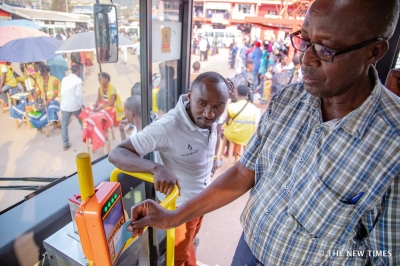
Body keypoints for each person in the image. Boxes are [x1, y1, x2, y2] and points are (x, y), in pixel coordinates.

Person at [125, 0, 400, 265]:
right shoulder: (288, 101)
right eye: (304, 40)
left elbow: (385, 256)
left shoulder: (393, 147)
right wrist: (173, 217)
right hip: (247, 249)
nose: (304, 58)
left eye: (326, 49)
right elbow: (245, 172)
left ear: (374, 52)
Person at [108, 72, 231, 265]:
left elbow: (215, 127)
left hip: (202, 199)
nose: (209, 114)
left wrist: (213, 159)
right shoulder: (168, 127)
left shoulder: (212, 115)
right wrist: (155, 168)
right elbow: (116, 154)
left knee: (190, 241)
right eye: (202, 104)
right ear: (190, 96)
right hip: (181, 207)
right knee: (180, 257)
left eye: (218, 106)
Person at [223, 84, 259, 154]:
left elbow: (227, 123)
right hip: (248, 137)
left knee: (222, 130)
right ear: (247, 94)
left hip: (235, 136)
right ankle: (237, 151)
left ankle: (230, 148)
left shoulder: (232, 106)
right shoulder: (254, 108)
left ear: (237, 94)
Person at [60, 65, 84, 151]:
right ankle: (85, 136)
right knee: (82, 121)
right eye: (80, 70)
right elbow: (79, 95)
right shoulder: (78, 80)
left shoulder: (64, 79)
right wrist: (82, 104)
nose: (81, 72)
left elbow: (62, 92)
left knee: (64, 124)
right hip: (75, 105)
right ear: (77, 71)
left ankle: (65, 143)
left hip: (65, 105)